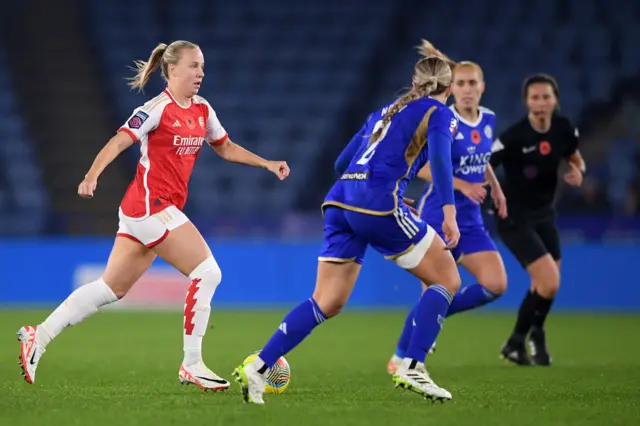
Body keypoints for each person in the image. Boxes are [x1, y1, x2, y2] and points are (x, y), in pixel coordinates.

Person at [16, 40, 290, 389]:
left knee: (109, 288)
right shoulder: (157, 108)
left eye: (202, 66)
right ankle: (192, 363)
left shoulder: (203, 110)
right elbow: (120, 140)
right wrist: (91, 175)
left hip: (147, 210)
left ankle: (37, 336)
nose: (201, 73)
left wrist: (266, 163)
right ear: (172, 70)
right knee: (207, 272)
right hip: (150, 206)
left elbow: (225, 147)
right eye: (193, 66)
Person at [233, 56, 461, 405]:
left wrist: (386, 190)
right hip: (377, 203)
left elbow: (342, 163)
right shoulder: (438, 112)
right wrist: (448, 213)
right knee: (447, 277)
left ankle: (259, 367)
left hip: (340, 202)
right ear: (449, 88)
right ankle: (413, 365)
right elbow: (442, 162)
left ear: (414, 84)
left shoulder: (384, 112)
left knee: (326, 301)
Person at [386, 42, 508, 374]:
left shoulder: (489, 120)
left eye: (473, 83)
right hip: (440, 214)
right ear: (452, 88)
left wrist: (496, 188)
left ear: (482, 87)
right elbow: (423, 166)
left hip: (471, 221)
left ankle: (436, 318)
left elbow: (481, 160)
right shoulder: (441, 118)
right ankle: (400, 357)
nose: (467, 89)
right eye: (462, 83)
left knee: (496, 284)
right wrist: (462, 185)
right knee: (435, 291)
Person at [491, 73, 585, 366]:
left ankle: (519, 341)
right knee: (549, 281)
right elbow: (482, 165)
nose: (541, 102)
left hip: (544, 215)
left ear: (555, 100)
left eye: (546, 97)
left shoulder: (563, 128)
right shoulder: (513, 137)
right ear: (526, 102)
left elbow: (574, 155)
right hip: (513, 216)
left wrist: (578, 170)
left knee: (545, 284)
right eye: (535, 97)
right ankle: (532, 336)